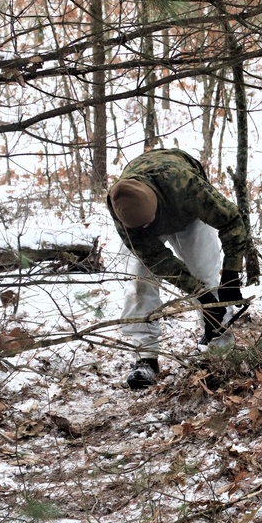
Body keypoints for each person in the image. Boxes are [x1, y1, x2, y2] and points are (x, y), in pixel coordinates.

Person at [106, 149, 250, 389]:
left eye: (149, 223)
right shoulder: (121, 208)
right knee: (139, 283)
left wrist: (232, 275)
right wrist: (196, 293)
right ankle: (145, 357)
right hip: (146, 216)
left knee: (205, 274)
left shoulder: (186, 185)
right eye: (141, 227)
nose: (147, 228)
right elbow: (157, 259)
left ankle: (218, 348)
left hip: (187, 213)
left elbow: (231, 221)